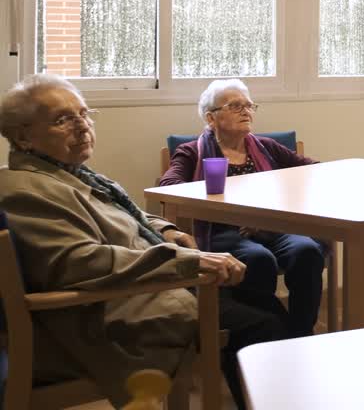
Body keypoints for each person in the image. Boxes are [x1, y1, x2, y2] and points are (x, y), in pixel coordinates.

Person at [0, 74, 284, 409]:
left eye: (84, 113)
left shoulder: (64, 174)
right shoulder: (24, 191)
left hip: (142, 289)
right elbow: (79, 261)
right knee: (263, 324)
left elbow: (126, 214)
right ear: (23, 136)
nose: (82, 126)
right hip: (112, 315)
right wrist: (185, 260)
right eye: (63, 119)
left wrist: (166, 230)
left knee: (262, 299)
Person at [160, 78, 325, 339]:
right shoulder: (192, 152)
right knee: (259, 259)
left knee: (307, 250)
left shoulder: (267, 147)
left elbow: (314, 170)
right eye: (235, 106)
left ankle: (301, 333)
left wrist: (281, 202)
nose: (245, 111)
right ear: (210, 118)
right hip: (221, 230)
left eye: (249, 105)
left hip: (270, 226)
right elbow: (168, 185)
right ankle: (270, 333)